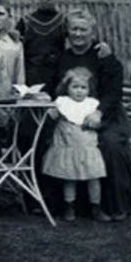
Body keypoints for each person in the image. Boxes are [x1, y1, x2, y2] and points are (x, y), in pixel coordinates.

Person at [50, 9, 131, 220]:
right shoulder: (62, 58)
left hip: (105, 113)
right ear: (67, 31)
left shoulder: (104, 56)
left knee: (109, 144)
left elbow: (114, 91)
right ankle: (68, 204)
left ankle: (115, 205)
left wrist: (99, 113)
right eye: (74, 28)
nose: (78, 33)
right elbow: (54, 88)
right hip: (70, 116)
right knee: (61, 143)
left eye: (83, 29)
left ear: (92, 31)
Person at [42, 67, 110, 222]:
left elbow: (100, 125)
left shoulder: (92, 104)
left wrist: (95, 124)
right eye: (75, 87)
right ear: (67, 88)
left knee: (94, 177)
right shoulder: (62, 102)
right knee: (69, 177)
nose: (79, 91)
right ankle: (69, 206)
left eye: (83, 87)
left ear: (89, 89)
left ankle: (96, 207)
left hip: (87, 148)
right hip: (68, 146)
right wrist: (51, 113)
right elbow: (51, 117)